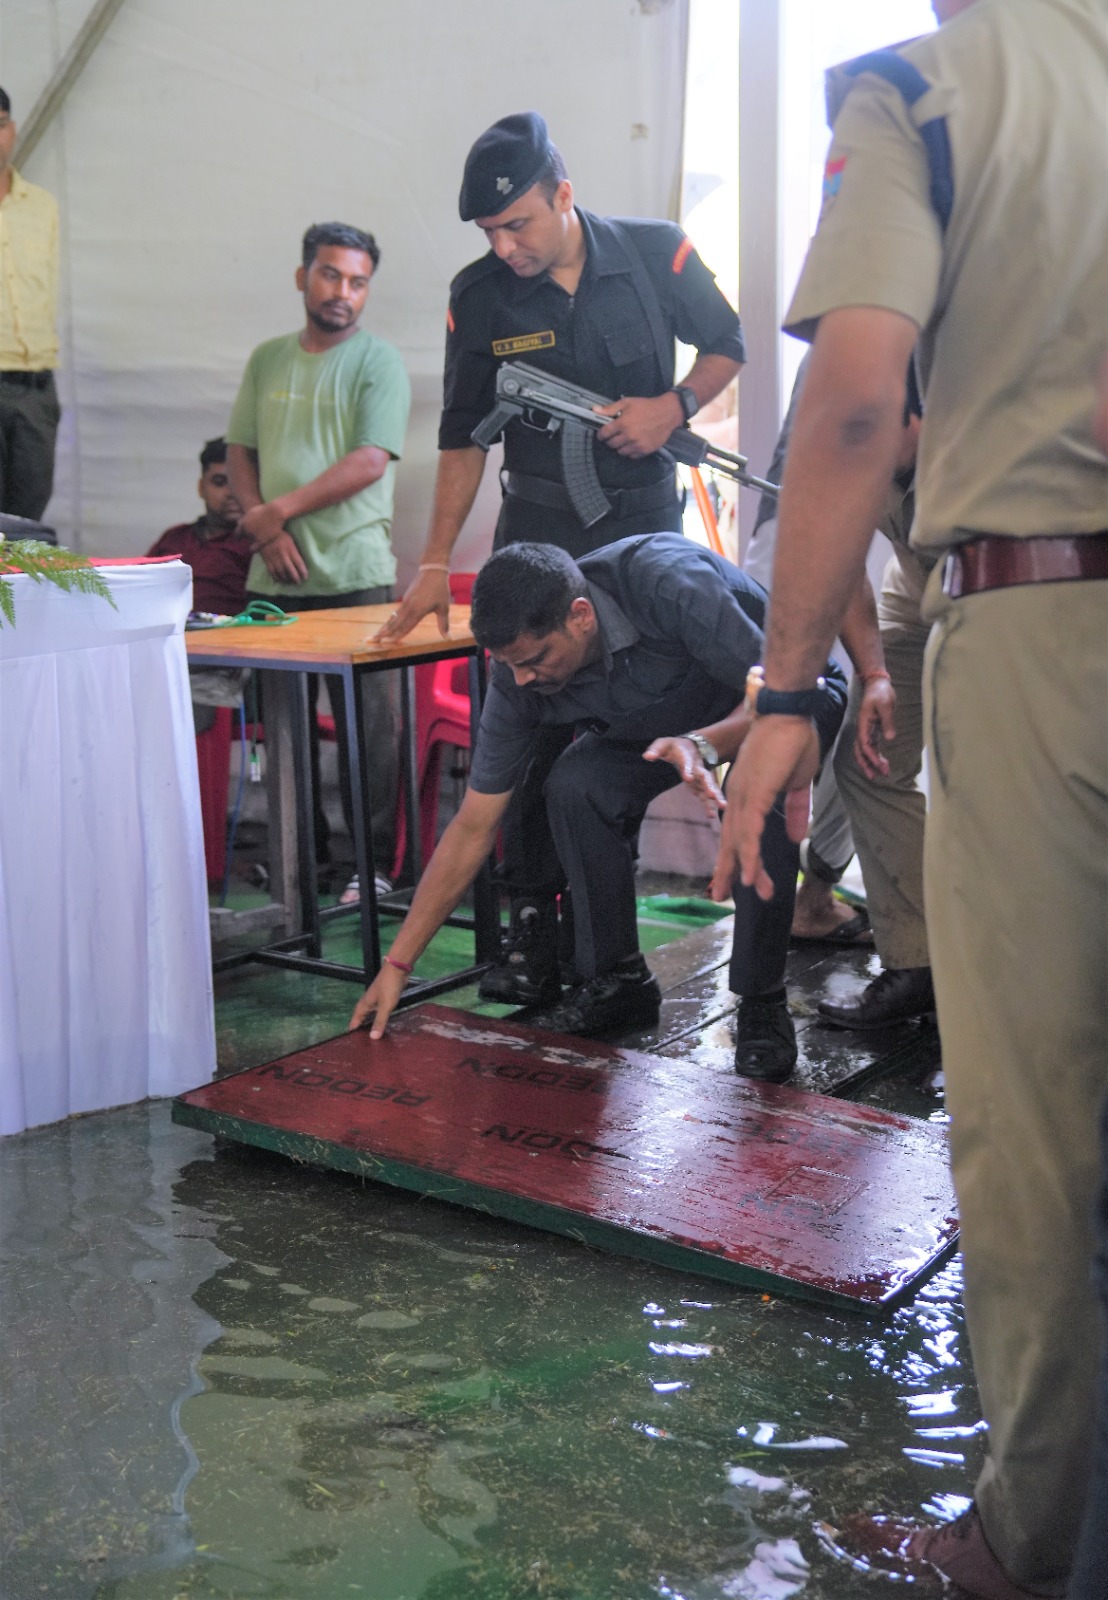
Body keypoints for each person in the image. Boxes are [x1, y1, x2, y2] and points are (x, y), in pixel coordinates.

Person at [716, 1, 1107, 1593]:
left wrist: (788, 681)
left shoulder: (923, 93)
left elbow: (857, 398)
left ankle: (1019, 1546)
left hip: (1044, 631)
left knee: (1029, 1129)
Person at [374, 111, 746, 1004]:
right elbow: (463, 435)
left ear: (564, 195)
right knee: (522, 757)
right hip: (537, 545)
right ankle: (535, 947)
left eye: (519, 224)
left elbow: (728, 339)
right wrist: (432, 563)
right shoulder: (483, 295)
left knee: (615, 748)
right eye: (490, 233)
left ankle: (603, 952)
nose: (505, 246)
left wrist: (676, 404)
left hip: (642, 548)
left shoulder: (658, 254)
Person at [350, 535, 846, 1083]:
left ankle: (761, 1000)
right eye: (511, 666)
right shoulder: (518, 676)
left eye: (535, 659)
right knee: (576, 783)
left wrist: (703, 744)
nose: (523, 680)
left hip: (781, 700)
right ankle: (618, 982)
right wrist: (398, 966)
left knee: (760, 797)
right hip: (657, 727)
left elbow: (781, 696)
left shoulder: (668, 583)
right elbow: (473, 824)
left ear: (580, 616)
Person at [226, 222, 411, 893]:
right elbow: (239, 451)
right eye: (331, 275)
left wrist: (280, 511)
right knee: (286, 735)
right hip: (272, 577)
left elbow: (368, 461)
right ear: (302, 276)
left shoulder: (378, 363)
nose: (344, 293)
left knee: (371, 736)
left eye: (358, 282)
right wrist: (265, 528)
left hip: (356, 578)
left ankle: (372, 870)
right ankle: (301, 864)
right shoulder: (267, 358)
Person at [147, 436, 252, 732]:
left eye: (239, 483)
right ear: (201, 487)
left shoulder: (259, 545)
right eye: (220, 481)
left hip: (230, 665)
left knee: (187, 703)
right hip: (167, 656)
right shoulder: (174, 539)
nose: (231, 493)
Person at [0, 86, 61, 521]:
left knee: (26, 521)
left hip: (35, 386)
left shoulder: (42, 206)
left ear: (13, 129)